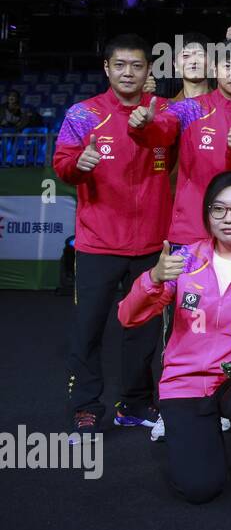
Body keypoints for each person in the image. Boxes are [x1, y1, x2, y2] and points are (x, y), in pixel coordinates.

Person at [117, 171, 231, 501]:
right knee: (199, 488)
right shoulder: (183, 260)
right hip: (186, 380)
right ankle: (204, 433)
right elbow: (128, 316)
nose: (228, 219)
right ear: (207, 214)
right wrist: (152, 278)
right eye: (218, 209)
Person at [55, 34, 173, 437]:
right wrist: (78, 164)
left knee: (141, 332)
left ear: (148, 71)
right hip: (98, 244)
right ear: (107, 68)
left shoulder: (163, 113)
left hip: (151, 246)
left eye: (136, 65)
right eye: (120, 65)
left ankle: (135, 405)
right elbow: (62, 163)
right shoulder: (83, 114)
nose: (128, 72)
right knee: (88, 328)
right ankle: (85, 408)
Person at [128, 42, 231, 245]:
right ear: (215, 70)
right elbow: (161, 131)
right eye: (228, 66)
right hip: (190, 231)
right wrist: (145, 126)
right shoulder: (191, 108)